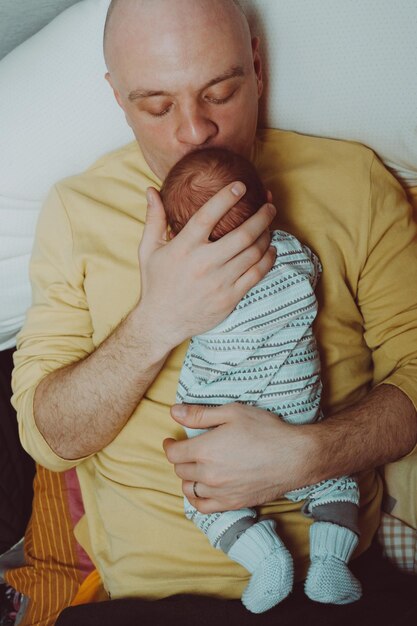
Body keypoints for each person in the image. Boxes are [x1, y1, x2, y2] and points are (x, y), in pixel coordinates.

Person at [11, 0, 417, 624]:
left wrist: (312, 454)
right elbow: (49, 439)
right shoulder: (77, 212)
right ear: (117, 97)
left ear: (257, 68)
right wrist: (158, 320)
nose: (195, 130)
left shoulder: (352, 182)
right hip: (151, 605)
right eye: (156, 105)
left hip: (335, 588)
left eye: (221, 92)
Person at [161, 146, 361, 612]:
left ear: (175, 235)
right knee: (338, 481)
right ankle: (331, 562)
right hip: (299, 419)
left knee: (203, 500)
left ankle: (267, 560)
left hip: (218, 425)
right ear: (268, 200)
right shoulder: (290, 253)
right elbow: (312, 271)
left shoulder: (189, 283)